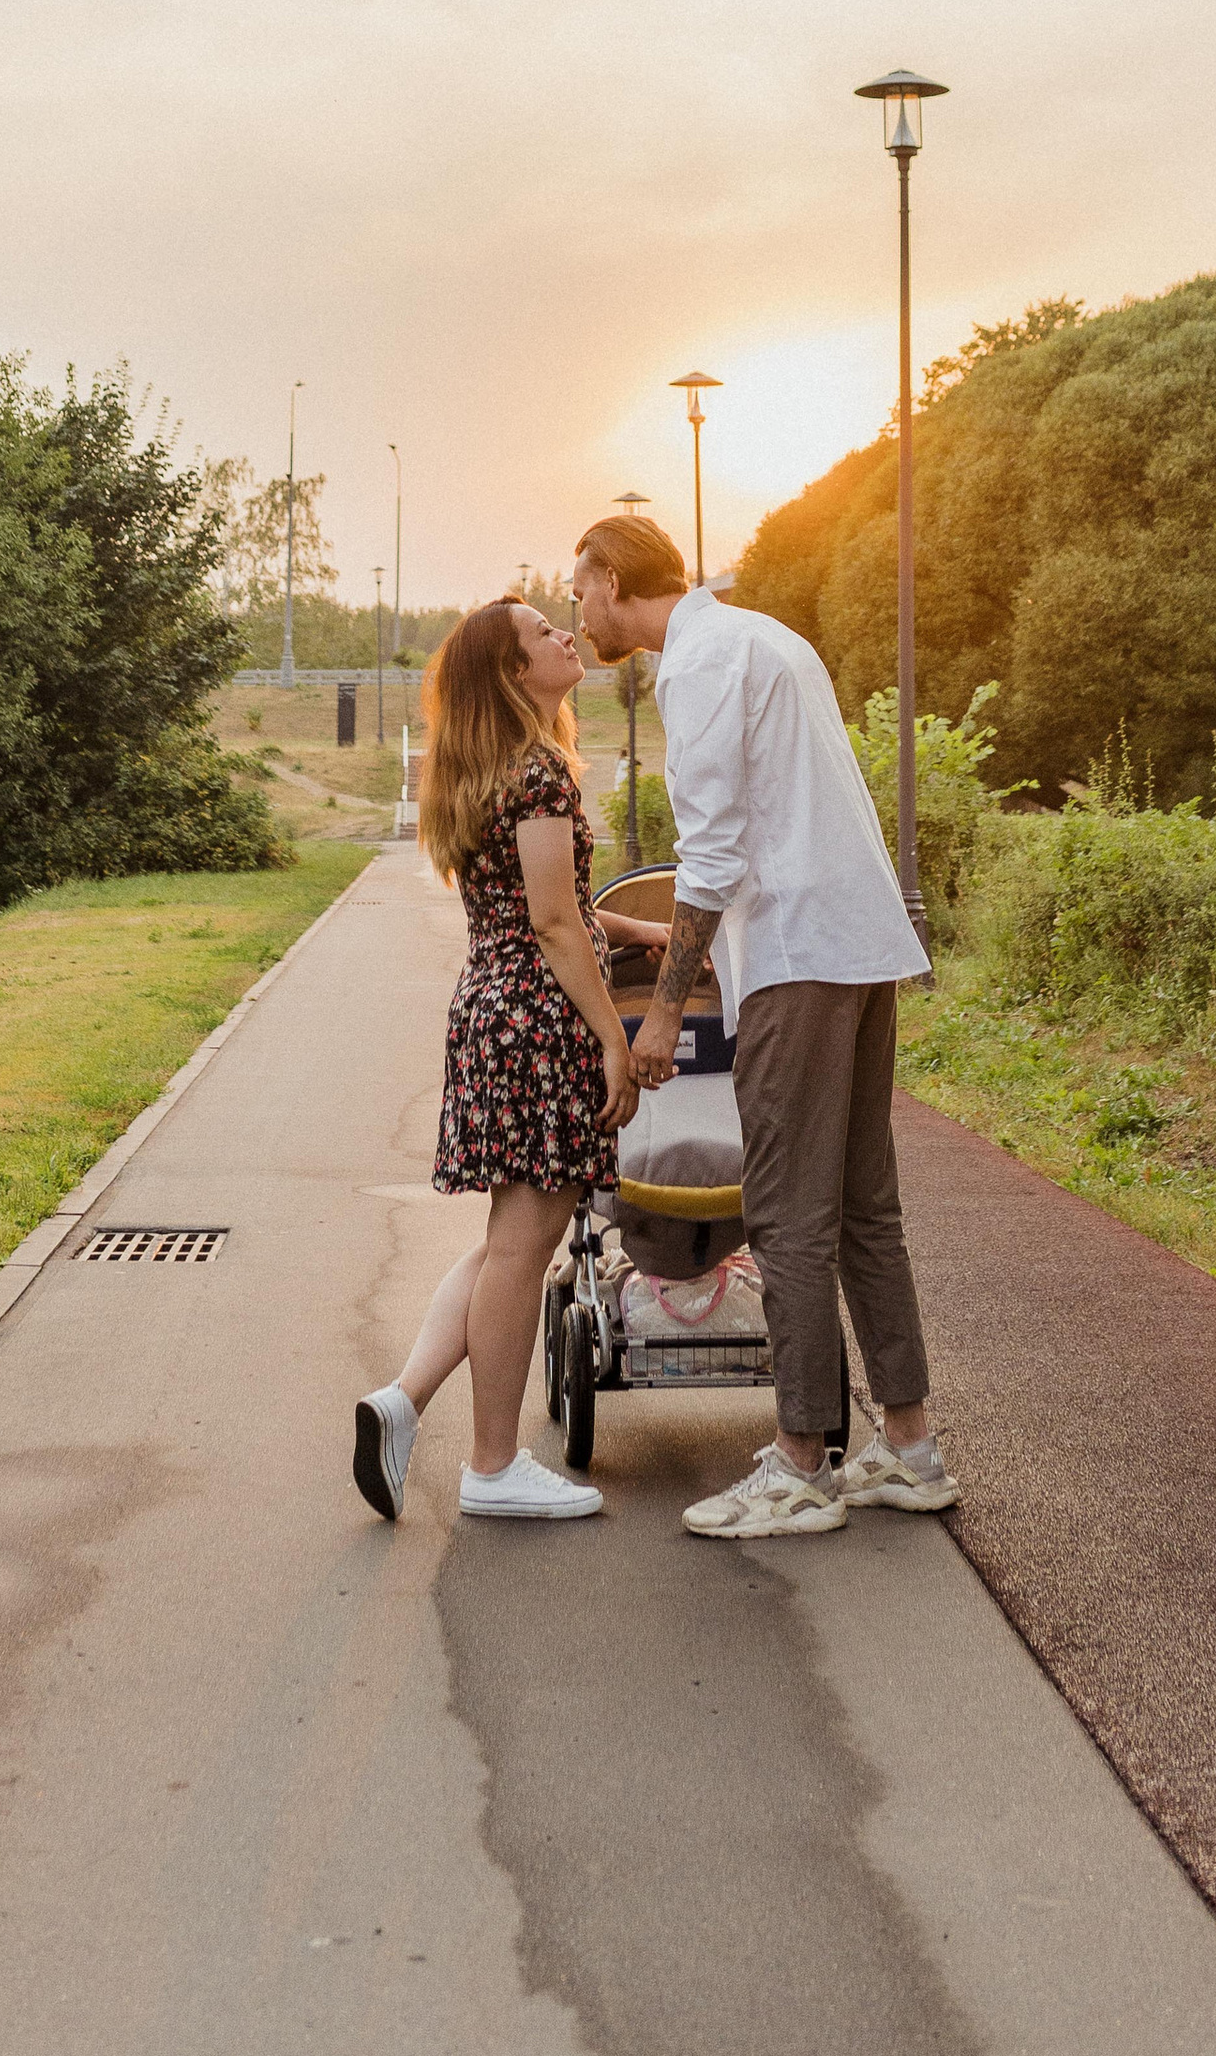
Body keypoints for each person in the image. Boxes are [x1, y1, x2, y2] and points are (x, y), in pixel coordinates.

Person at [570, 510, 958, 1540]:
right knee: (864, 1208)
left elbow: (714, 856)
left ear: (612, 579)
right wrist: (658, 934)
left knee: (786, 1213)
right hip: (854, 943)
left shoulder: (694, 666)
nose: (578, 609)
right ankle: (909, 1447)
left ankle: (798, 1464)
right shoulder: (767, 638)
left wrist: (660, 1018)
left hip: (790, 958)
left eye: (578, 590)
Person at [352, 594, 638, 1525]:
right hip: (539, 1019)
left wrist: (655, 932)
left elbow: (549, 905)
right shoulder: (543, 773)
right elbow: (555, 925)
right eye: (543, 634)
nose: (566, 636)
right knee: (523, 1251)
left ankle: (402, 1402)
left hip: (488, 1009)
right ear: (518, 674)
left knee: (505, 1245)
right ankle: (492, 1465)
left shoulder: (486, 771)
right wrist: (612, 1038)